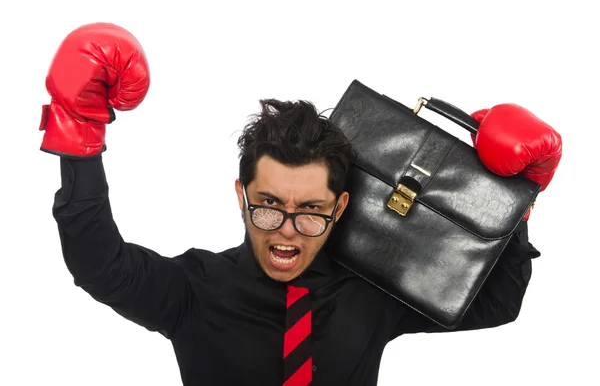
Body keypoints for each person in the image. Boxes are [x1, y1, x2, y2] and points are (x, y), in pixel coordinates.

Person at [40, 23, 562, 386]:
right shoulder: (194, 288)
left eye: (311, 211)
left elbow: (497, 305)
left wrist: (514, 207)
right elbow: (98, 265)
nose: (287, 231)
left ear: (339, 209)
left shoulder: (372, 290)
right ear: (241, 197)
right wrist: (77, 132)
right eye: (269, 205)